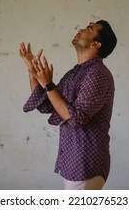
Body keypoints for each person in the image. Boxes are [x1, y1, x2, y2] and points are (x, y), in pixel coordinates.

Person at [19, 20, 117, 190]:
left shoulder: (98, 74)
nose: (80, 29)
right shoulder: (75, 73)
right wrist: (32, 71)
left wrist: (49, 85)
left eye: (89, 29)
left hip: (86, 164)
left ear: (96, 44)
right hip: (73, 161)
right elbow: (47, 105)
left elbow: (75, 117)